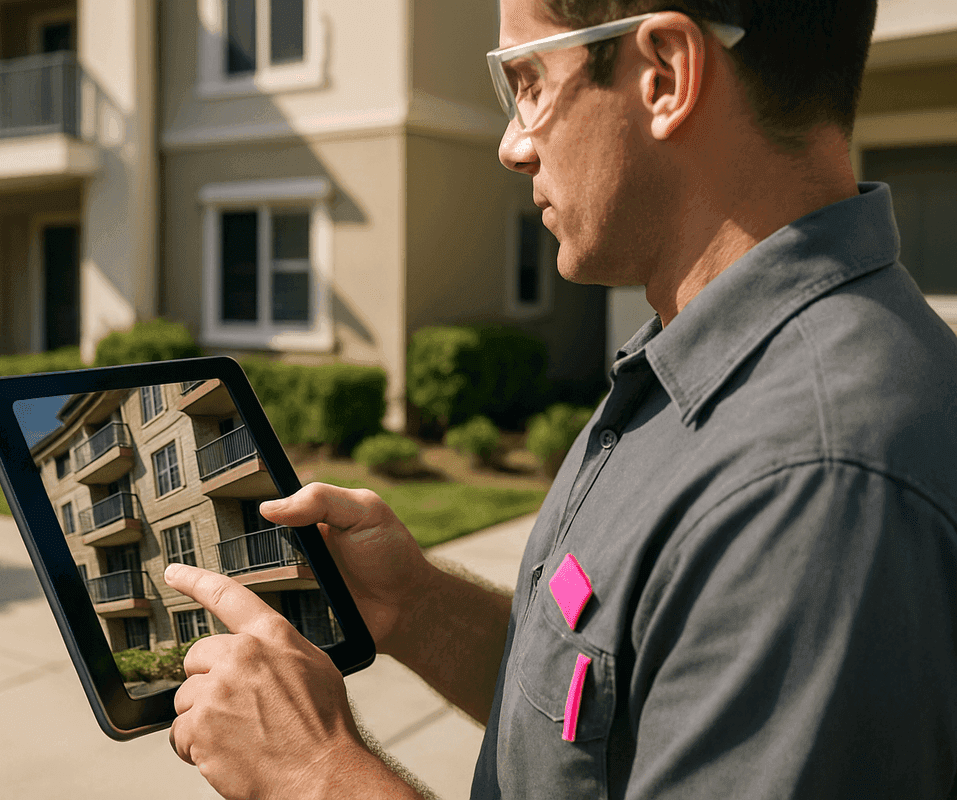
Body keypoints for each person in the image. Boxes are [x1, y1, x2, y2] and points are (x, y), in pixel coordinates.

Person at [165, 0, 957, 797]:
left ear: (664, 75)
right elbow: (611, 716)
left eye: (528, 81)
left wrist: (314, 773)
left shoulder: (815, 483)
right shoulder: (697, 364)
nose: (512, 144)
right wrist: (411, 603)